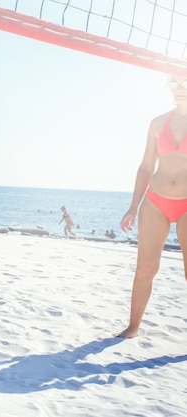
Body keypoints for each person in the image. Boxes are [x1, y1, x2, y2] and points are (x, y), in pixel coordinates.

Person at [116, 74, 187, 339]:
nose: (179, 89)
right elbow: (147, 166)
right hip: (155, 202)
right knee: (145, 268)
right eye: (175, 83)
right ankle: (133, 328)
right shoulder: (158, 123)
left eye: (185, 83)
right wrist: (132, 207)